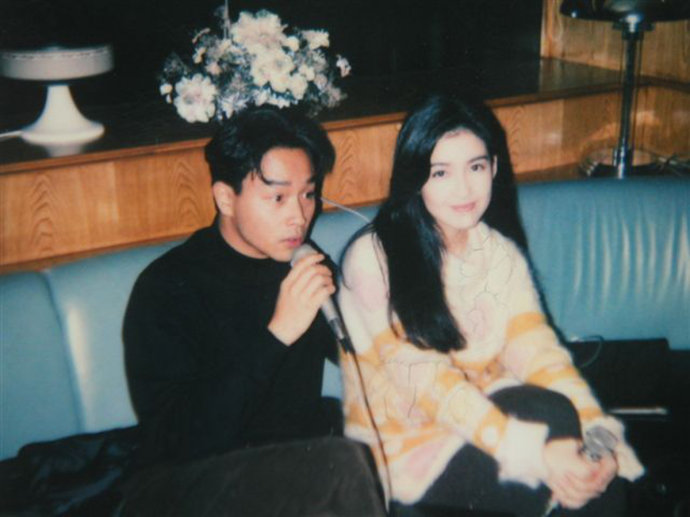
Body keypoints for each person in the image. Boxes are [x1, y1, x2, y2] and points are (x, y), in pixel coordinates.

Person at [336, 95, 644, 517]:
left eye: (476, 167)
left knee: (581, 457)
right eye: (440, 172)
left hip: (488, 416)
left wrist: (599, 436)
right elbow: (427, 383)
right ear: (415, 177)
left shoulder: (499, 253)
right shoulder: (373, 259)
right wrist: (537, 455)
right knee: (563, 470)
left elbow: (540, 354)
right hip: (405, 450)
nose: (464, 188)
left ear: (494, 168)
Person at [121, 106, 385, 516]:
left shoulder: (303, 262)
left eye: (308, 194)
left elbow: (367, 356)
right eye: (277, 198)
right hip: (188, 479)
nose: (299, 216)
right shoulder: (167, 287)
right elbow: (179, 439)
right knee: (343, 466)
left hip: (295, 467)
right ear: (226, 198)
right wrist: (278, 333)